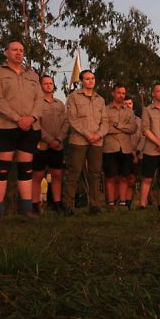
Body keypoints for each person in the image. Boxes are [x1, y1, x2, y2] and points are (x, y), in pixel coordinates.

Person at [0, 41, 43, 220]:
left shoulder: (33, 75)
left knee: (26, 169)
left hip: (30, 127)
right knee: (2, 168)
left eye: (21, 50)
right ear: (6, 52)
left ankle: (26, 209)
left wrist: (31, 118)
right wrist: (18, 119)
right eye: (14, 50)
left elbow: (39, 100)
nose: (18, 53)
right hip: (5, 126)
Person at [62, 69, 107, 215]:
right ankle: (68, 206)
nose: (90, 81)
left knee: (95, 173)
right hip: (79, 141)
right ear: (82, 81)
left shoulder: (100, 100)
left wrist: (98, 134)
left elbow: (105, 121)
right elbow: (72, 119)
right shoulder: (74, 97)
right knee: (74, 173)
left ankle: (95, 205)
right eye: (87, 78)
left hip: (97, 142)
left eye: (93, 78)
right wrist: (88, 134)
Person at [31, 75, 68, 214]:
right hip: (41, 145)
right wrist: (49, 140)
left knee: (57, 174)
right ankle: (34, 205)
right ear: (40, 86)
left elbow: (66, 123)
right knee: (38, 175)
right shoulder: (36, 103)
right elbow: (36, 124)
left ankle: (57, 203)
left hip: (58, 145)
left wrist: (58, 139)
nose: (48, 85)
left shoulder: (59, 104)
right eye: (45, 83)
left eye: (51, 83)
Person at [103, 84, 138, 210]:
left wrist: (117, 125)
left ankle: (123, 202)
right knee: (110, 176)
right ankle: (111, 203)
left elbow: (133, 128)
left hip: (126, 148)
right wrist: (123, 128)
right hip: (110, 147)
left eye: (123, 93)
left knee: (124, 177)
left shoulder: (129, 111)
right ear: (113, 93)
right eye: (119, 93)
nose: (121, 95)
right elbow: (104, 128)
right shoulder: (105, 110)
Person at [124, 97, 142, 209]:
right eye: (125, 103)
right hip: (122, 152)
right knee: (120, 179)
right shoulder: (118, 120)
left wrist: (136, 152)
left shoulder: (139, 121)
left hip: (136, 155)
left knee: (131, 180)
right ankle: (117, 202)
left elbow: (143, 138)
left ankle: (128, 203)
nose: (127, 105)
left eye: (129, 103)